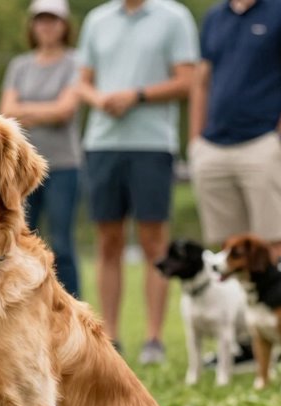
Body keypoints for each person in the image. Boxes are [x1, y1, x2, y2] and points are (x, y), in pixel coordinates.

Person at [75, 0, 198, 364]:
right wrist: (97, 98)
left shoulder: (174, 17)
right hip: (102, 145)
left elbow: (187, 81)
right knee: (108, 243)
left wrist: (136, 95)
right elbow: (82, 83)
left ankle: (154, 340)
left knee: (154, 243)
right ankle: (110, 340)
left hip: (152, 145)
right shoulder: (97, 20)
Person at [189, 0, 281, 264]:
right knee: (228, 251)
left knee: (278, 243)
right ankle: (239, 308)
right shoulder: (215, 16)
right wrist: (196, 141)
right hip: (213, 147)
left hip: (265, 143)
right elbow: (201, 82)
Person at [0, 0, 83, 298]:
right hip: (20, 169)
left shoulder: (75, 62)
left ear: (64, 25)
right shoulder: (20, 66)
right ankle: (22, 302)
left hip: (62, 166)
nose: (47, 26)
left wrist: (25, 111)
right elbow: (5, 113)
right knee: (17, 240)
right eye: (41, 20)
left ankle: (71, 307)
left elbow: (65, 111)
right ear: (33, 25)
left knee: (61, 244)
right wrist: (43, 110)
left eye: (53, 20)